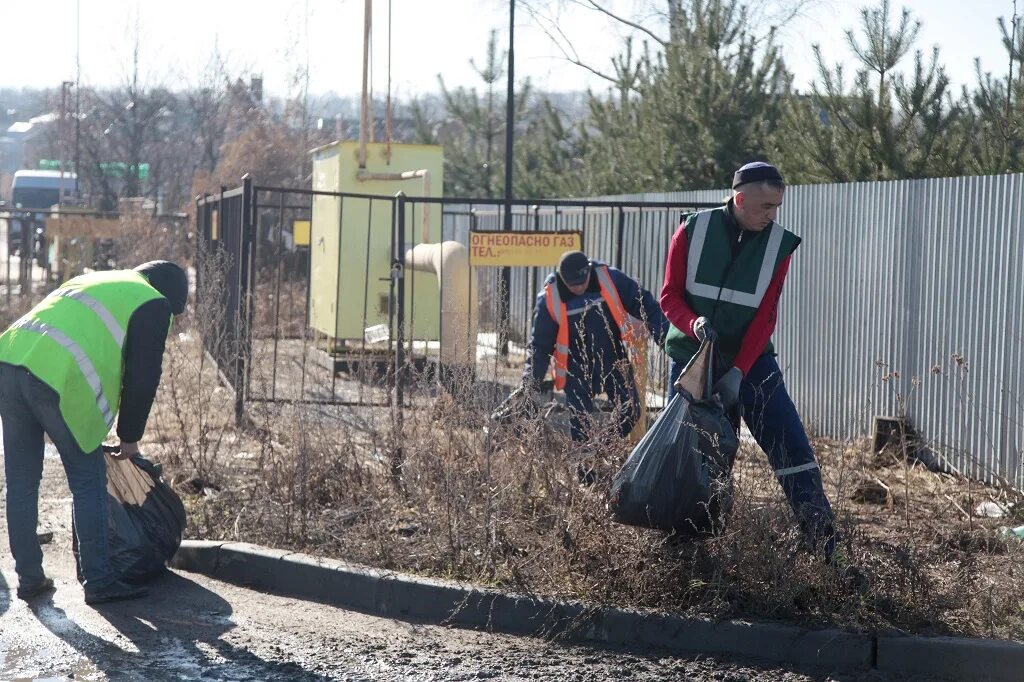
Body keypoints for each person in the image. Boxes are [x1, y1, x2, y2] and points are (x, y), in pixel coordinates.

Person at [659, 162, 840, 560]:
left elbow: (766, 317)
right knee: (696, 457)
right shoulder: (692, 231)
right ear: (739, 199)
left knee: (792, 447)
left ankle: (825, 549)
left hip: (754, 361)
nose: (772, 215)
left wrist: (739, 371)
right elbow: (669, 297)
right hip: (695, 359)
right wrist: (695, 324)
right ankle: (685, 552)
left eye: (776, 206)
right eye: (765, 206)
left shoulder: (778, 246)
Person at [0, 260, 188, 603]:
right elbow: (142, 377)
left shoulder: (102, 281)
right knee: (88, 480)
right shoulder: (152, 302)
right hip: (54, 377)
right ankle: (100, 581)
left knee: (22, 481)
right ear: (169, 297)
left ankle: (29, 577)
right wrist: (130, 439)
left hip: (10, 361)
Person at [522, 250, 668, 444]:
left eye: (582, 282)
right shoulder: (549, 298)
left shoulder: (610, 278)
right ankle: (586, 465)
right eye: (572, 285)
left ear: (589, 270)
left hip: (612, 357)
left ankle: (598, 449)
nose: (579, 288)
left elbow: (646, 306)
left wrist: (668, 340)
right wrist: (529, 385)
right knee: (581, 425)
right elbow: (539, 348)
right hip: (575, 367)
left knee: (631, 410)